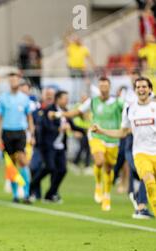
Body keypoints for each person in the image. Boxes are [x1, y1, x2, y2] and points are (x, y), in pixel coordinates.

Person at [51, 77, 124, 211]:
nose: (103, 88)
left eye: (105, 86)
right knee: (99, 160)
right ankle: (98, 185)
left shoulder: (118, 103)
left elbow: (129, 112)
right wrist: (58, 115)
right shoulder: (92, 101)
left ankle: (107, 195)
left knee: (108, 168)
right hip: (96, 135)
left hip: (113, 138)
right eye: (101, 86)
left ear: (109, 87)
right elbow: (77, 112)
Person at [91, 76, 155, 219]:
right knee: (149, 181)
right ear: (135, 90)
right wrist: (102, 131)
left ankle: (139, 202)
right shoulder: (130, 109)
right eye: (138, 87)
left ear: (150, 89)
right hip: (141, 154)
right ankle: (142, 206)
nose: (141, 89)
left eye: (144, 87)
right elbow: (123, 132)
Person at [30, 91, 83, 202]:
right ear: (58, 99)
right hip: (48, 145)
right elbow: (45, 127)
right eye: (65, 98)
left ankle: (50, 194)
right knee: (50, 168)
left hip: (60, 146)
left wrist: (85, 131)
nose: (67, 101)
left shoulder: (65, 112)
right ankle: (31, 186)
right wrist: (59, 128)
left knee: (62, 170)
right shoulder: (49, 110)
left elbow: (72, 126)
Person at [0, 72, 35, 203]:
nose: (13, 82)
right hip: (7, 132)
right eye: (11, 80)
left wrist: (32, 134)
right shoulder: (2, 98)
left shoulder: (24, 98)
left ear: (19, 81)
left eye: (15, 79)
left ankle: (27, 192)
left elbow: (29, 118)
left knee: (23, 161)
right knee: (11, 164)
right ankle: (15, 194)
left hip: (20, 132)